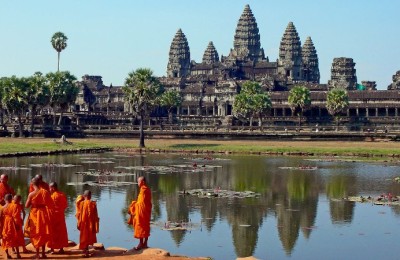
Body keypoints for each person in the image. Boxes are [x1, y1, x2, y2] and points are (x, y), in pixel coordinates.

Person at [25, 177, 55, 259]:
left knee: (36, 233)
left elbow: (26, 206)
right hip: (43, 214)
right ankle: (43, 253)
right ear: (39, 183)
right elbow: (51, 205)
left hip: (34, 214)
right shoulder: (45, 192)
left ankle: (37, 254)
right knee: (43, 233)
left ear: (32, 184)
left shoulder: (31, 194)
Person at [128, 176, 152, 250]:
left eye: (139, 181)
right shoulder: (145, 190)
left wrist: (134, 205)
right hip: (145, 211)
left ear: (143, 182)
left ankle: (141, 243)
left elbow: (141, 202)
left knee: (141, 225)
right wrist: (135, 204)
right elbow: (143, 202)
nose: (138, 183)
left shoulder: (144, 190)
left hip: (142, 211)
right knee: (145, 225)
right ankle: (145, 243)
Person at [76, 190, 99, 258]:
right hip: (91, 223)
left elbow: (78, 213)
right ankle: (86, 250)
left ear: (84, 196)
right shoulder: (93, 204)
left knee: (84, 236)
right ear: (90, 196)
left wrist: (78, 222)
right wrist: (96, 223)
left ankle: (86, 251)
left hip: (83, 222)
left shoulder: (81, 203)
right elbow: (95, 215)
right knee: (89, 236)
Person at [48, 182, 69, 254]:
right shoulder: (62, 194)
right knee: (61, 232)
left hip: (53, 217)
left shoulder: (53, 196)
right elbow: (65, 205)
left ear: (53, 188)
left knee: (52, 232)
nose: (49, 189)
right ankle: (61, 249)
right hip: (60, 216)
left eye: (50, 188)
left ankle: (52, 249)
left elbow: (49, 207)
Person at [0, 194, 22, 259]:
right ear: (11, 199)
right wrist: (17, 225)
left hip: (4, 224)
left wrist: (1, 227)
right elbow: (16, 217)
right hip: (12, 224)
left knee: (5, 239)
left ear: (4, 199)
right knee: (15, 238)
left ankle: (7, 255)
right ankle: (18, 254)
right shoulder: (14, 206)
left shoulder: (2, 208)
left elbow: (0, 218)